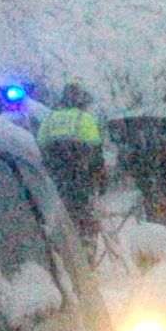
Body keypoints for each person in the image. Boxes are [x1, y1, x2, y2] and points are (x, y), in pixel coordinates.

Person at [37, 82, 105, 232]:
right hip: (77, 177)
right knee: (81, 216)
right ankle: (83, 243)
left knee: (55, 215)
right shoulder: (84, 118)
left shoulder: (49, 118)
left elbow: (39, 148)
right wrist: (100, 180)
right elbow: (96, 154)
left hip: (53, 178)